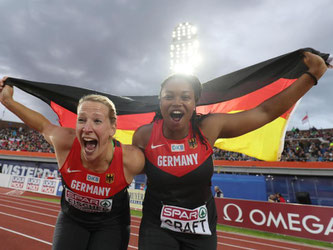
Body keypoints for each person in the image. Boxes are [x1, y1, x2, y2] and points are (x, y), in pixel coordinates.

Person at [132, 51, 327, 250]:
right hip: (157, 227)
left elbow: (264, 112)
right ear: (160, 101)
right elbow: (125, 166)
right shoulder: (144, 135)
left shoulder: (209, 127)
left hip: (201, 230)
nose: (176, 102)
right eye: (168, 96)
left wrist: (312, 76)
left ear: (195, 102)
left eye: (185, 97)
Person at [0, 77, 145, 250]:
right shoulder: (65, 142)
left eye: (97, 121)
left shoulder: (131, 159)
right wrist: (7, 100)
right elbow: (42, 125)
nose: (87, 128)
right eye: (81, 120)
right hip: (72, 220)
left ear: (112, 128)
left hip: (112, 226)